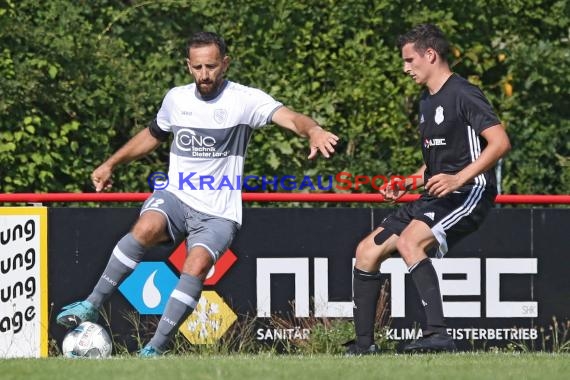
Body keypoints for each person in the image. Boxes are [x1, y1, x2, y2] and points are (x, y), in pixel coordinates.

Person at [56, 31, 339, 357]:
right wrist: (111, 164)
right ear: (188, 66)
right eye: (197, 67)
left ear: (226, 64)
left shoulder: (244, 100)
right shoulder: (176, 99)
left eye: (212, 66)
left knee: (197, 263)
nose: (204, 74)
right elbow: (153, 134)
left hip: (219, 211)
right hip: (176, 196)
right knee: (146, 226)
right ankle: (92, 304)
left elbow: (290, 117)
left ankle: (154, 350)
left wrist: (313, 129)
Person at [345, 23, 511, 355]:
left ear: (430, 55)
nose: (405, 68)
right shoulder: (426, 100)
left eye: (409, 60)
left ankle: (438, 334)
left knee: (410, 241)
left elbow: (500, 143)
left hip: (470, 191)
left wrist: (458, 179)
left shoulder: (464, 93)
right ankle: (364, 346)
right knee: (366, 252)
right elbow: (436, 167)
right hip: (437, 193)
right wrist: (408, 181)